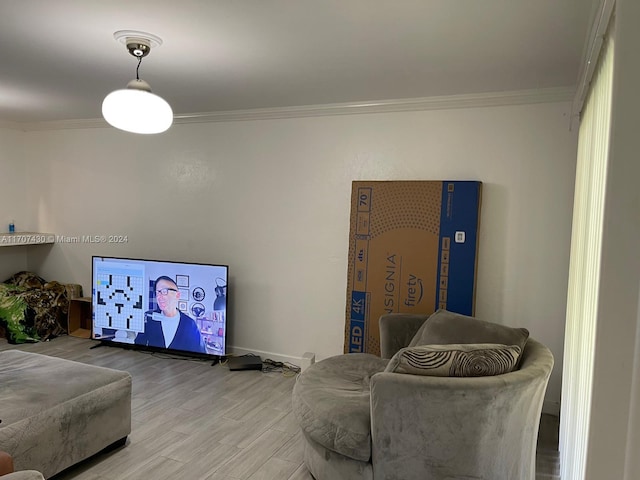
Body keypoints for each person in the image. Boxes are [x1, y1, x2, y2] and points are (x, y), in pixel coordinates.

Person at [135, 275, 206, 353]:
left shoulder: (190, 324)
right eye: (157, 293)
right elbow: (138, 345)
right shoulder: (149, 317)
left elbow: (200, 353)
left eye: (164, 291)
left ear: (177, 295)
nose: (159, 297)